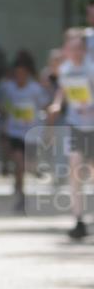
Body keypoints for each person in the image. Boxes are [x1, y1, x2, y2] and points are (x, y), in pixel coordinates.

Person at [48, 28, 94, 240]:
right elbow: (63, 90)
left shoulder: (91, 69)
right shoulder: (65, 70)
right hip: (76, 125)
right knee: (74, 167)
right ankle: (78, 220)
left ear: (84, 50)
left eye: (78, 48)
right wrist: (57, 104)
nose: (75, 52)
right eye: (71, 48)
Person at [0, 51, 47, 211]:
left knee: (26, 165)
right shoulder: (9, 88)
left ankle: (19, 184)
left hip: (31, 132)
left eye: (23, 74)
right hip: (14, 132)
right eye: (17, 74)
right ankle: (21, 194)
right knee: (19, 161)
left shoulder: (35, 89)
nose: (20, 77)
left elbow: (44, 104)